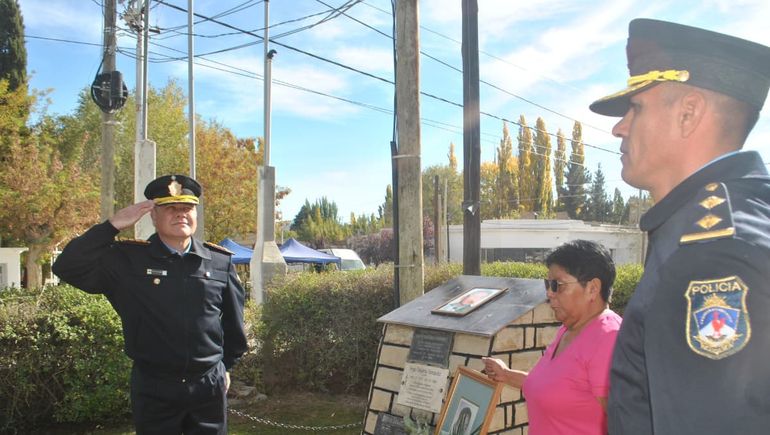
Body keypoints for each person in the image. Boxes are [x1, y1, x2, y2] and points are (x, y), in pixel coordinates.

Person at [588, 18, 770, 434]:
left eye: (636, 107)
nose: (619, 127)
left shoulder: (712, 256)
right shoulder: (739, 218)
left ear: (688, 114)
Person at [52, 174, 248, 435]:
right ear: (153, 215)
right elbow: (67, 266)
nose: (181, 214)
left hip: (207, 385)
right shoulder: (128, 260)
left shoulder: (219, 261)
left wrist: (226, 366)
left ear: (196, 214)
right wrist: (111, 226)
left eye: (187, 208)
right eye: (170, 208)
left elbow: (234, 324)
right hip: (155, 386)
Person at [482, 240, 621, 435]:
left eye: (558, 285)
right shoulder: (569, 329)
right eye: (548, 284)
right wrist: (506, 374)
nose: (549, 293)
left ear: (593, 288)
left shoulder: (607, 337)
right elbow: (558, 388)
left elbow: (627, 420)